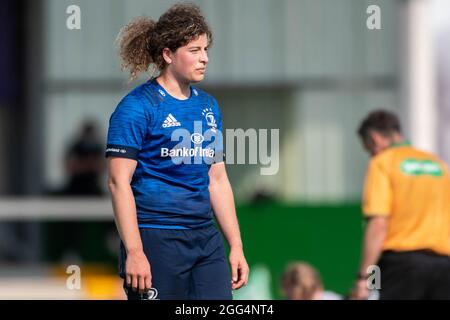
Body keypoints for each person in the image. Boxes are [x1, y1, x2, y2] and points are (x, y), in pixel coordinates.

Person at [106, 3, 249, 300]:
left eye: (206, 49)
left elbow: (217, 179)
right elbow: (118, 183)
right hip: (156, 237)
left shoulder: (208, 105)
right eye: (194, 50)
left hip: (205, 238)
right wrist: (134, 251)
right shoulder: (136, 107)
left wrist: (235, 244)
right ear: (168, 54)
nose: (205, 58)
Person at [352, 110, 450, 300]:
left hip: (402, 267)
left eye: (370, 150)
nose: (371, 155)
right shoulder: (438, 165)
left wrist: (365, 279)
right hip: (444, 266)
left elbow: (379, 225)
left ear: (375, 139)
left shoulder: (382, 163)